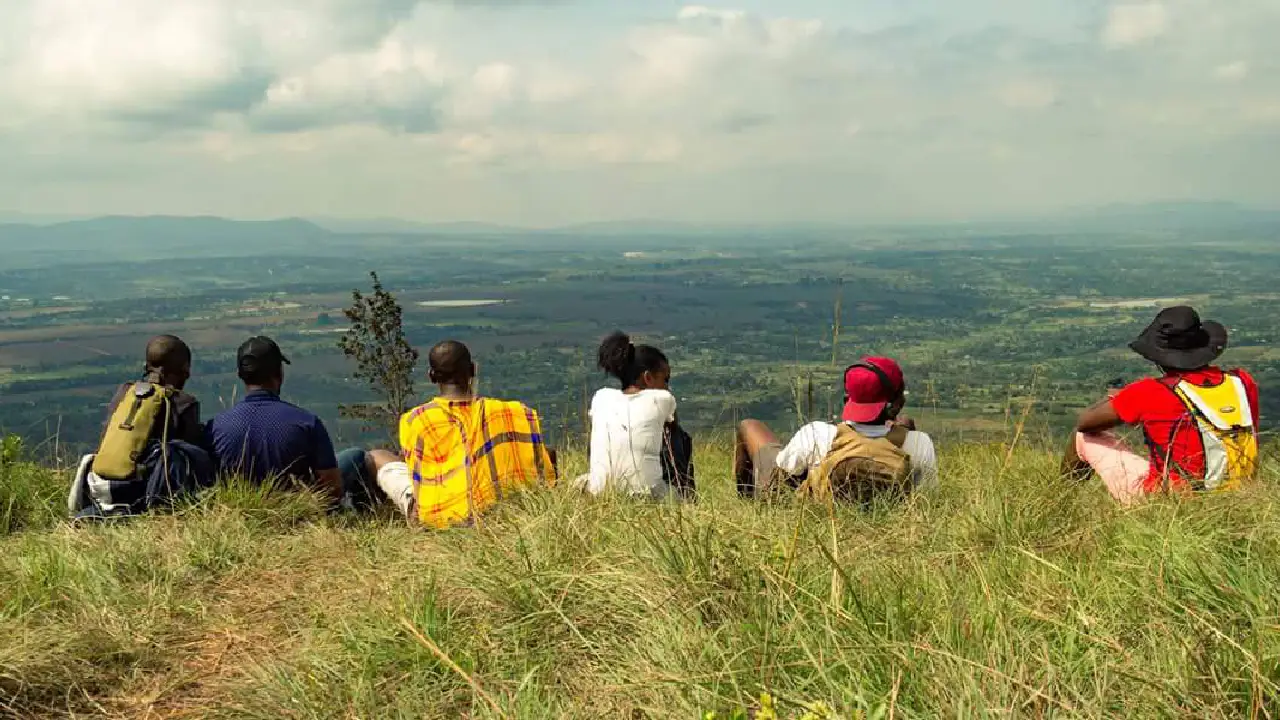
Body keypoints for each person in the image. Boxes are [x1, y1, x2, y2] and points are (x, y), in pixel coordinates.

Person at [348, 340, 556, 528]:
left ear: (431, 376)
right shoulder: (514, 411)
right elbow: (544, 463)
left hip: (439, 517)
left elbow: (417, 474)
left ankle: (374, 517)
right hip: (515, 512)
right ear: (472, 370)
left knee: (377, 457)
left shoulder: (416, 420)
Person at [1062, 306, 1260, 504]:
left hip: (1167, 500)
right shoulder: (1242, 382)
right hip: (1239, 497)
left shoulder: (1150, 391)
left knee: (1081, 437)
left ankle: (1063, 502)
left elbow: (1085, 423)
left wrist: (1118, 396)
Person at [735, 356, 938, 502]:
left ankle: (748, 503)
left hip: (813, 502)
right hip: (888, 510)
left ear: (848, 399)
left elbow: (786, 468)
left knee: (749, 426)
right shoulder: (919, 443)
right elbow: (926, 495)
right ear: (898, 403)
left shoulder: (816, 434)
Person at [68, 335, 214, 519]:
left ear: (146, 366)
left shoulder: (124, 392)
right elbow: (194, 456)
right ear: (184, 370)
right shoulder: (184, 403)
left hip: (98, 484)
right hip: (140, 491)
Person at [207, 336, 342, 502]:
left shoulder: (215, 427)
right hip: (297, 512)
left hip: (235, 511)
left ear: (240, 375)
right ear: (279, 372)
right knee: (356, 457)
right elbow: (332, 489)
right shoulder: (307, 423)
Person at [584, 331, 694, 500]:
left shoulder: (601, 397)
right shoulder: (662, 398)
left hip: (600, 494)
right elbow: (674, 438)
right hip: (649, 496)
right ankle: (687, 496)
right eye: (665, 380)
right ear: (648, 377)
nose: (667, 387)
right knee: (682, 437)